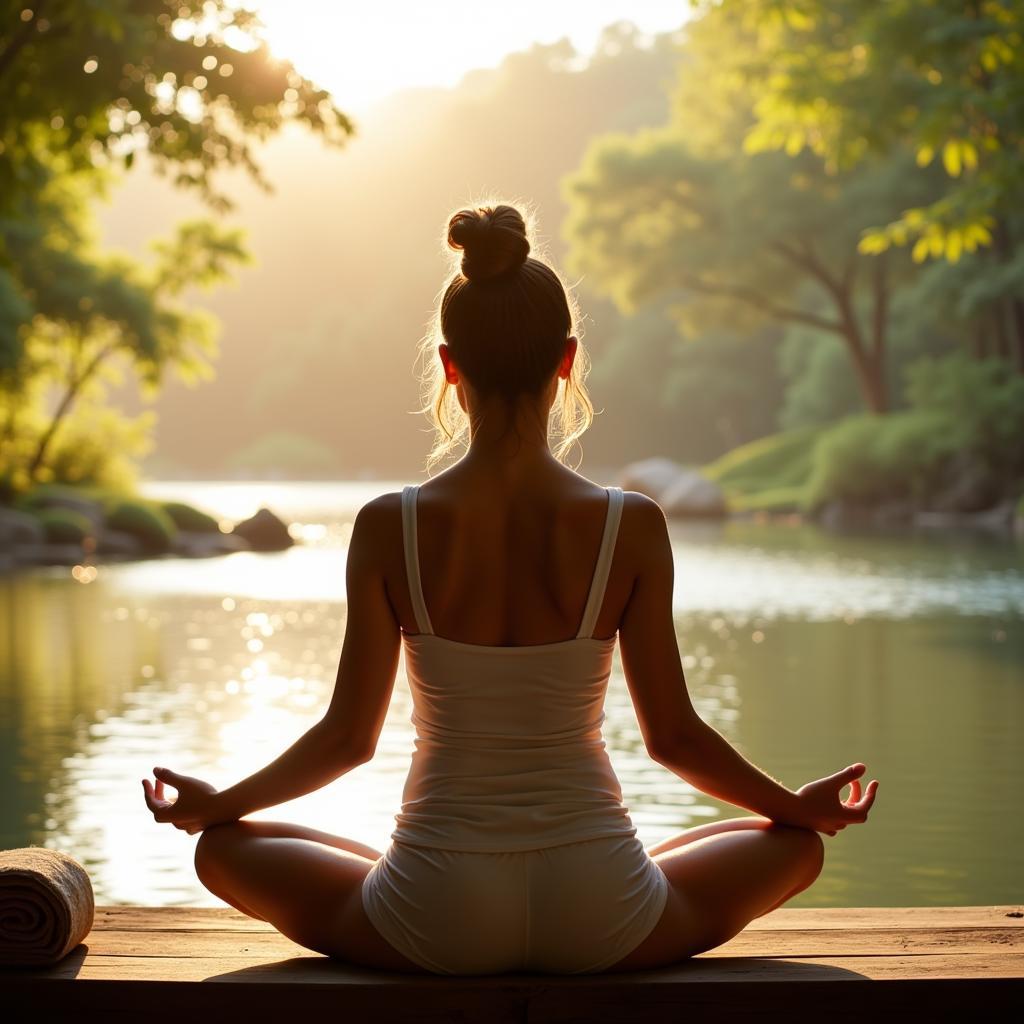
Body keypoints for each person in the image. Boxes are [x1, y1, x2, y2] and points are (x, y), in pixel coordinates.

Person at [141, 202, 879, 975]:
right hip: (604, 909)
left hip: (434, 911)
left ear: (450, 364)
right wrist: (797, 809)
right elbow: (673, 738)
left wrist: (215, 805)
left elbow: (347, 741)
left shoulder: (389, 525)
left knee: (225, 850)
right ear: (566, 360)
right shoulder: (632, 525)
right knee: (791, 848)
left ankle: (405, 870)